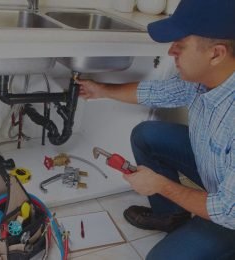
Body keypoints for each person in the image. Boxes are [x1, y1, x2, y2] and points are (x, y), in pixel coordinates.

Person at [76, 0, 235, 259]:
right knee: (147, 135)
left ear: (216, 53)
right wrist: (100, 90)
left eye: (180, 45)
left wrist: (161, 185)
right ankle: (169, 217)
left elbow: (229, 210)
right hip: (221, 178)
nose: (171, 51)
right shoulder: (205, 79)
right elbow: (158, 92)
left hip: (232, 212)